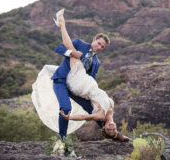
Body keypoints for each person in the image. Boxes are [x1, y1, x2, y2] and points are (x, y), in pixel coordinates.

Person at [31, 9, 128, 142]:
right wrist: (71, 53)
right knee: (66, 108)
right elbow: (59, 48)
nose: (99, 47)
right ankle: (63, 140)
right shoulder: (79, 44)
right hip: (61, 81)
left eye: (103, 47)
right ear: (94, 39)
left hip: (79, 86)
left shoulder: (97, 62)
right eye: (99, 43)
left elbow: (91, 78)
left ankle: (112, 132)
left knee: (95, 109)